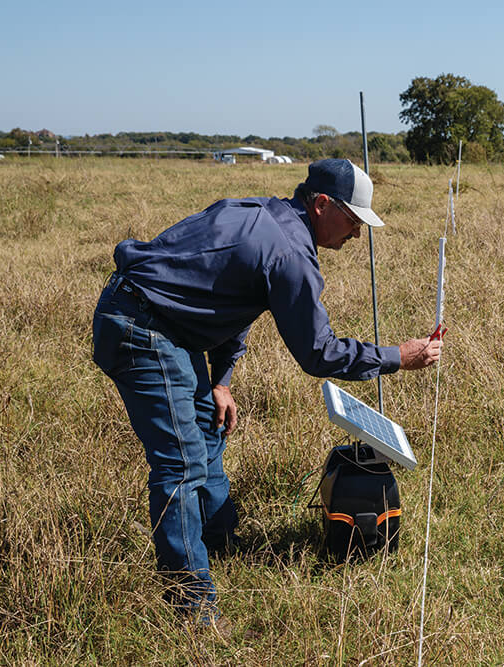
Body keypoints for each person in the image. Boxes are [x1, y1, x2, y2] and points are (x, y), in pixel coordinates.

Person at [91, 158, 441, 627]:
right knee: (180, 465)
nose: (357, 235)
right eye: (354, 221)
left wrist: (221, 380)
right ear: (321, 205)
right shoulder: (291, 252)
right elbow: (319, 354)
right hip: (144, 327)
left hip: (165, 321)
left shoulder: (263, 215)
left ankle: (221, 548)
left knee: (207, 435)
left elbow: (223, 296)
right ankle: (192, 611)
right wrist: (399, 356)